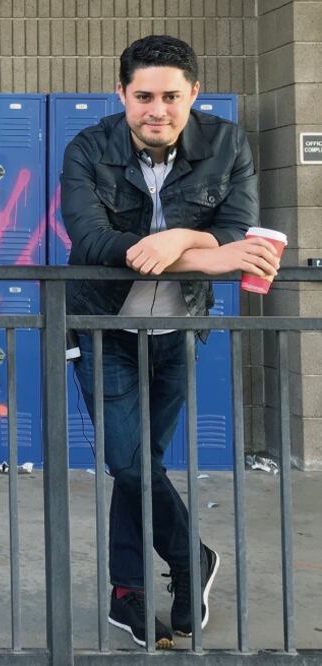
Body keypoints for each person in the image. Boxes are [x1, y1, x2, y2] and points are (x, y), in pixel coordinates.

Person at [61, 35, 280, 649]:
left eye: (171, 97)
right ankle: (191, 560)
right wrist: (200, 252)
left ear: (194, 96)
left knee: (143, 470)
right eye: (143, 96)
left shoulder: (226, 144)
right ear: (122, 96)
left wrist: (174, 237)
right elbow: (91, 241)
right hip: (104, 330)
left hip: (176, 333)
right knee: (128, 463)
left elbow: (240, 230)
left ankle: (126, 593)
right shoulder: (88, 148)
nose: (157, 109)